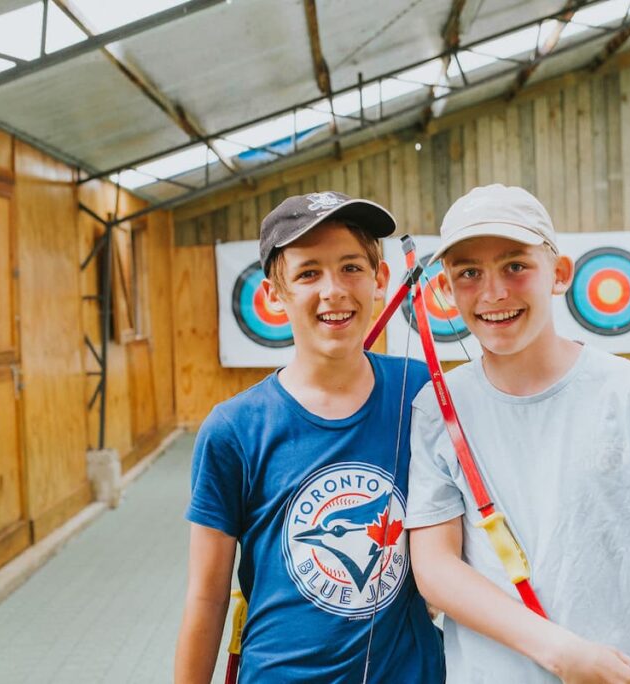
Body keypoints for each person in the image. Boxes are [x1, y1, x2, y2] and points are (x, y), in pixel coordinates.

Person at [406, 184, 630, 684]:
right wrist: (560, 651)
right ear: (445, 290)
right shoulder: (436, 408)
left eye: (516, 266)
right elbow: (436, 570)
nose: (493, 293)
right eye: (469, 273)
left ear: (559, 274)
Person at [175, 191, 444, 683]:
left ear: (380, 280)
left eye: (351, 268)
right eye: (307, 274)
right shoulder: (235, 428)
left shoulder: (424, 392)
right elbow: (207, 596)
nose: (334, 290)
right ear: (274, 295)